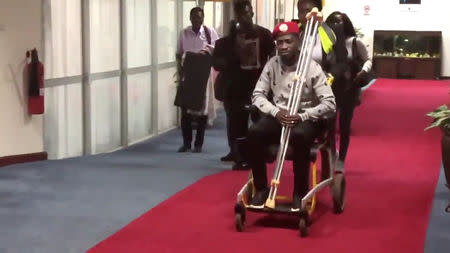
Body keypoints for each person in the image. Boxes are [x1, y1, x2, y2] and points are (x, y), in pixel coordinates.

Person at [247, 21, 336, 210]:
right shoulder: (272, 65)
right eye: (280, 42)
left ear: (298, 42)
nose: (284, 46)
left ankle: (299, 192)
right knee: (254, 132)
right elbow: (257, 95)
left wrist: (303, 116)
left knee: (300, 136)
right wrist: (276, 111)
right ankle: (262, 189)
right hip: (279, 115)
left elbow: (330, 103)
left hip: (304, 117)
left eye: (288, 41)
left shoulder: (311, 67)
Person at [213, 0, 275, 170]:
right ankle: (237, 154)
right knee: (235, 123)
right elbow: (217, 62)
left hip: (259, 86)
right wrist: (235, 49)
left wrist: (270, 73)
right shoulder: (229, 40)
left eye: (248, 13)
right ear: (236, 16)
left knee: (260, 122)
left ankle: (259, 153)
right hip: (235, 87)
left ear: (253, 13)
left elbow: (274, 55)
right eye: (241, 14)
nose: (245, 17)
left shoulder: (264, 34)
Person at [325, 12, 372, 171]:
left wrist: (364, 71)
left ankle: (341, 160)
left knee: (344, 126)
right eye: (333, 22)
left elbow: (368, 60)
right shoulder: (325, 42)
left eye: (339, 22)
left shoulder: (354, 42)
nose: (336, 25)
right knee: (329, 125)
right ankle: (332, 154)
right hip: (330, 88)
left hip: (349, 88)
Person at [175, 7, 219, 153]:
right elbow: (178, 53)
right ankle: (186, 143)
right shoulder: (184, 33)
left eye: (199, 17)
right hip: (188, 75)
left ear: (203, 18)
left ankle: (198, 144)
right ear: (190, 18)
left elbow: (218, 48)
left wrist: (207, 50)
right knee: (185, 109)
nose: (196, 20)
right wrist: (180, 73)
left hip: (203, 76)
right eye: (194, 17)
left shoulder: (209, 32)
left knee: (202, 110)